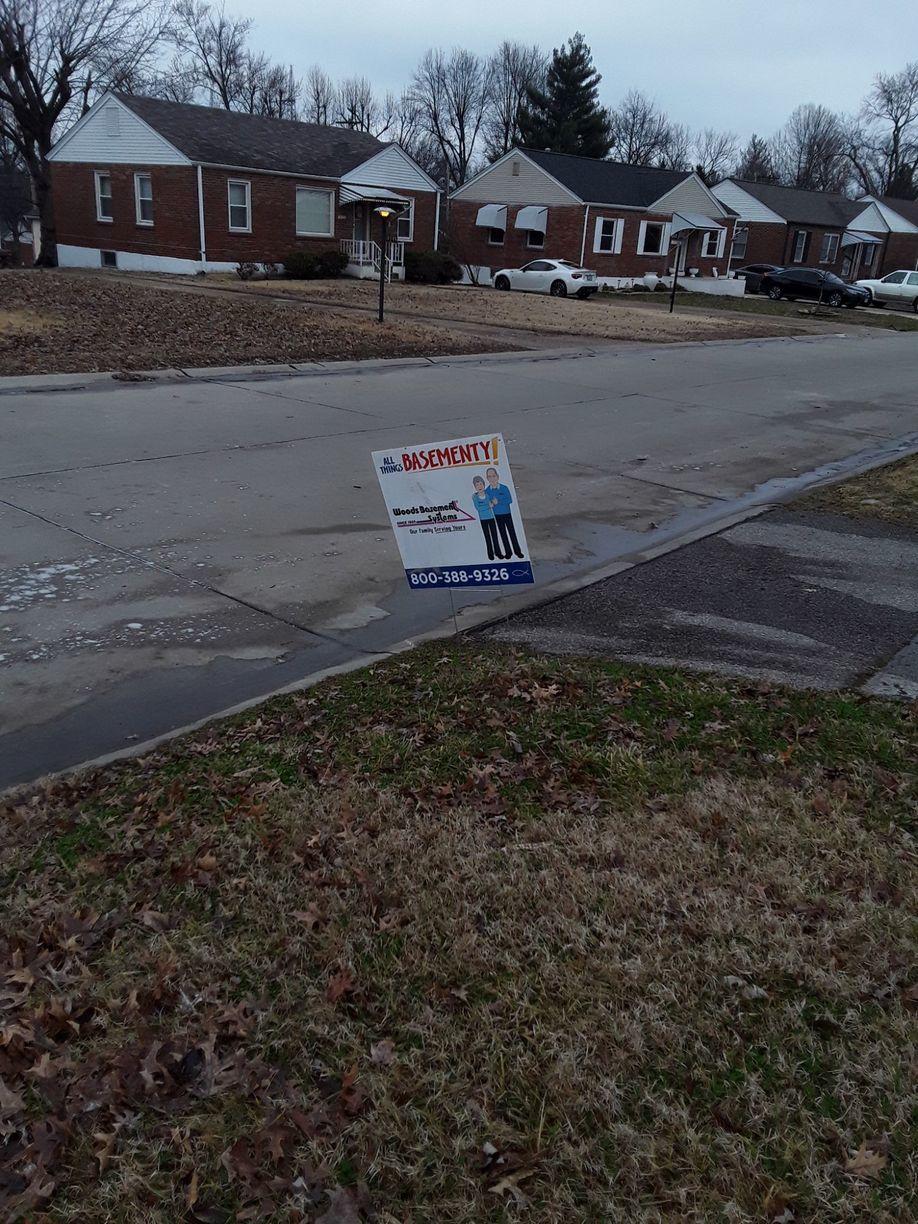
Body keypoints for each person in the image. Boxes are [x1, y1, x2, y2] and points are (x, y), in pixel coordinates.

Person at [486, 467, 524, 559]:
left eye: (493, 476)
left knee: (512, 532)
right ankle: (508, 552)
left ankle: (517, 551)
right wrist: (490, 504)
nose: (492, 478)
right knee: (503, 534)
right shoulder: (487, 491)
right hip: (497, 515)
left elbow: (509, 500)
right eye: (489, 476)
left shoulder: (504, 488)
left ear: (497, 476)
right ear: (487, 478)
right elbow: (487, 503)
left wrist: (498, 501)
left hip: (507, 514)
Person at [472, 475, 503, 560]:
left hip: (491, 518)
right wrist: (489, 505)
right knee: (487, 537)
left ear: (484, 484)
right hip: (483, 520)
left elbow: (494, 500)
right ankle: (490, 553)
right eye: (477, 485)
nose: (479, 486)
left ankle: (498, 552)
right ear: (475, 487)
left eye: (481, 484)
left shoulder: (488, 494)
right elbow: (478, 508)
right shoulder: (475, 497)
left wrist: (494, 502)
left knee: (494, 536)